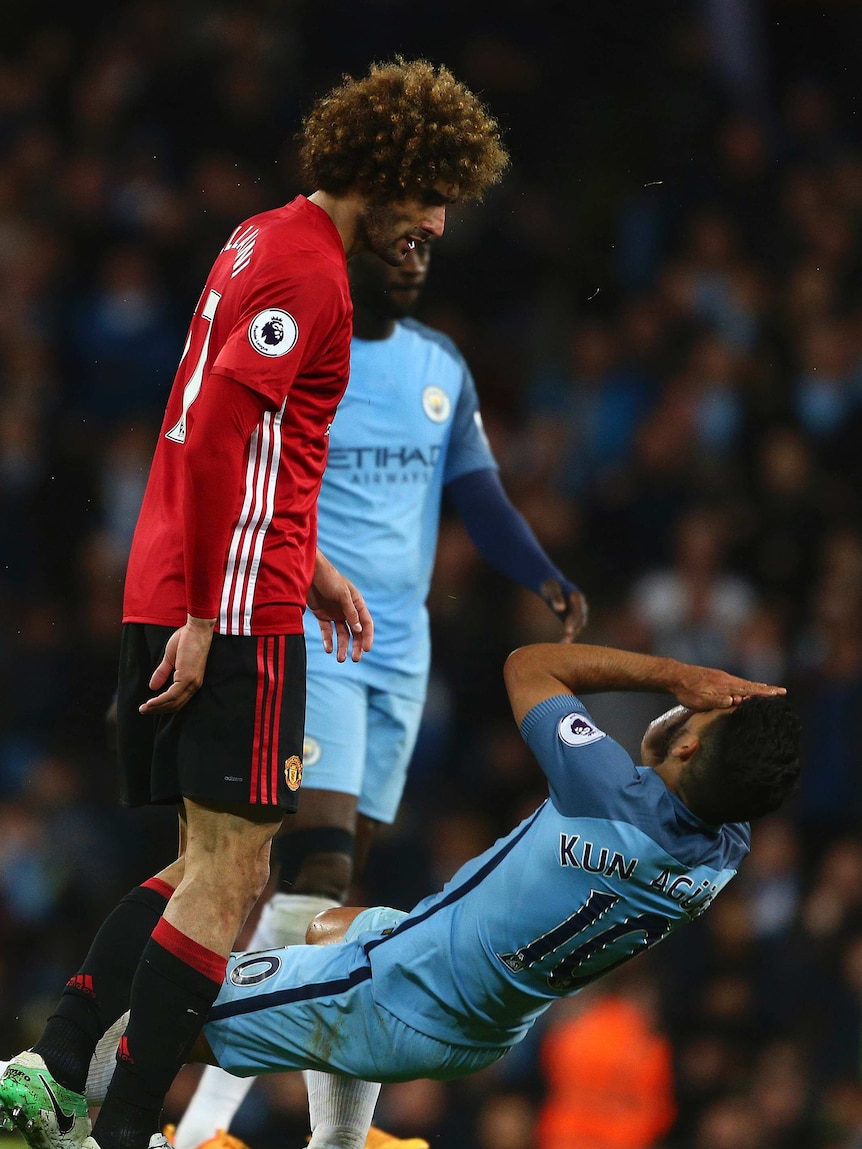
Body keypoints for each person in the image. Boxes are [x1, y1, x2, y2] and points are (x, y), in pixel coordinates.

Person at [0, 59, 508, 1149]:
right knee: (236, 881)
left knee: (200, 869)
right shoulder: (311, 278)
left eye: (446, 204)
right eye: (423, 197)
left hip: (211, 580)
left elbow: (239, 441)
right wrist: (205, 613)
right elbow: (223, 432)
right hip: (228, 607)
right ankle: (125, 1129)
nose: (434, 225)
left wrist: (306, 558)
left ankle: (48, 1072)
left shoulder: (262, 237)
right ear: (374, 173)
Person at [172, 240, 589, 1149]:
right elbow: (250, 460)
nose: (412, 259)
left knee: (335, 896)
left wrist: (543, 574)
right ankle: (200, 1121)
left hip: (402, 650)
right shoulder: (317, 347)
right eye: (396, 241)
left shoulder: (442, 365)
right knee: (314, 869)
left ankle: (332, 1138)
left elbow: (478, 494)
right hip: (315, 627)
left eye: (426, 244)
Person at [75, 641, 800, 1149]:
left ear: (691, 746)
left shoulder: (603, 789)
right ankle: (337, 1142)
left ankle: (43, 1092)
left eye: (703, 714)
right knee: (333, 924)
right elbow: (675, 764)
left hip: (397, 992)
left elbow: (531, 664)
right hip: (484, 1022)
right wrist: (694, 732)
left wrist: (677, 678)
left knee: (169, 1008)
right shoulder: (721, 856)